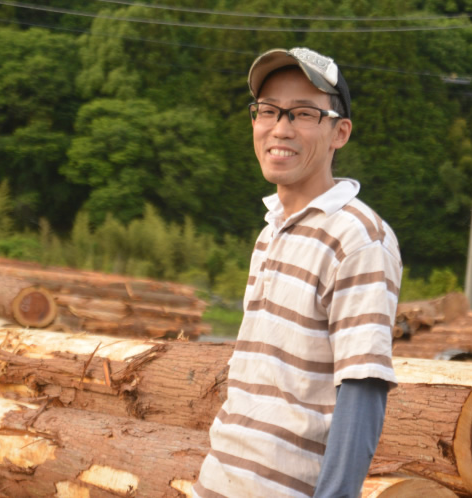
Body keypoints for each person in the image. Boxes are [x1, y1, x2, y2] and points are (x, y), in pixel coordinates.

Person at [193, 47, 403, 498]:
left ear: (339, 132)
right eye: (268, 110)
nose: (280, 127)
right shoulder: (271, 229)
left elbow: (363, 386)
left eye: (304, 113)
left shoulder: (359, 239)